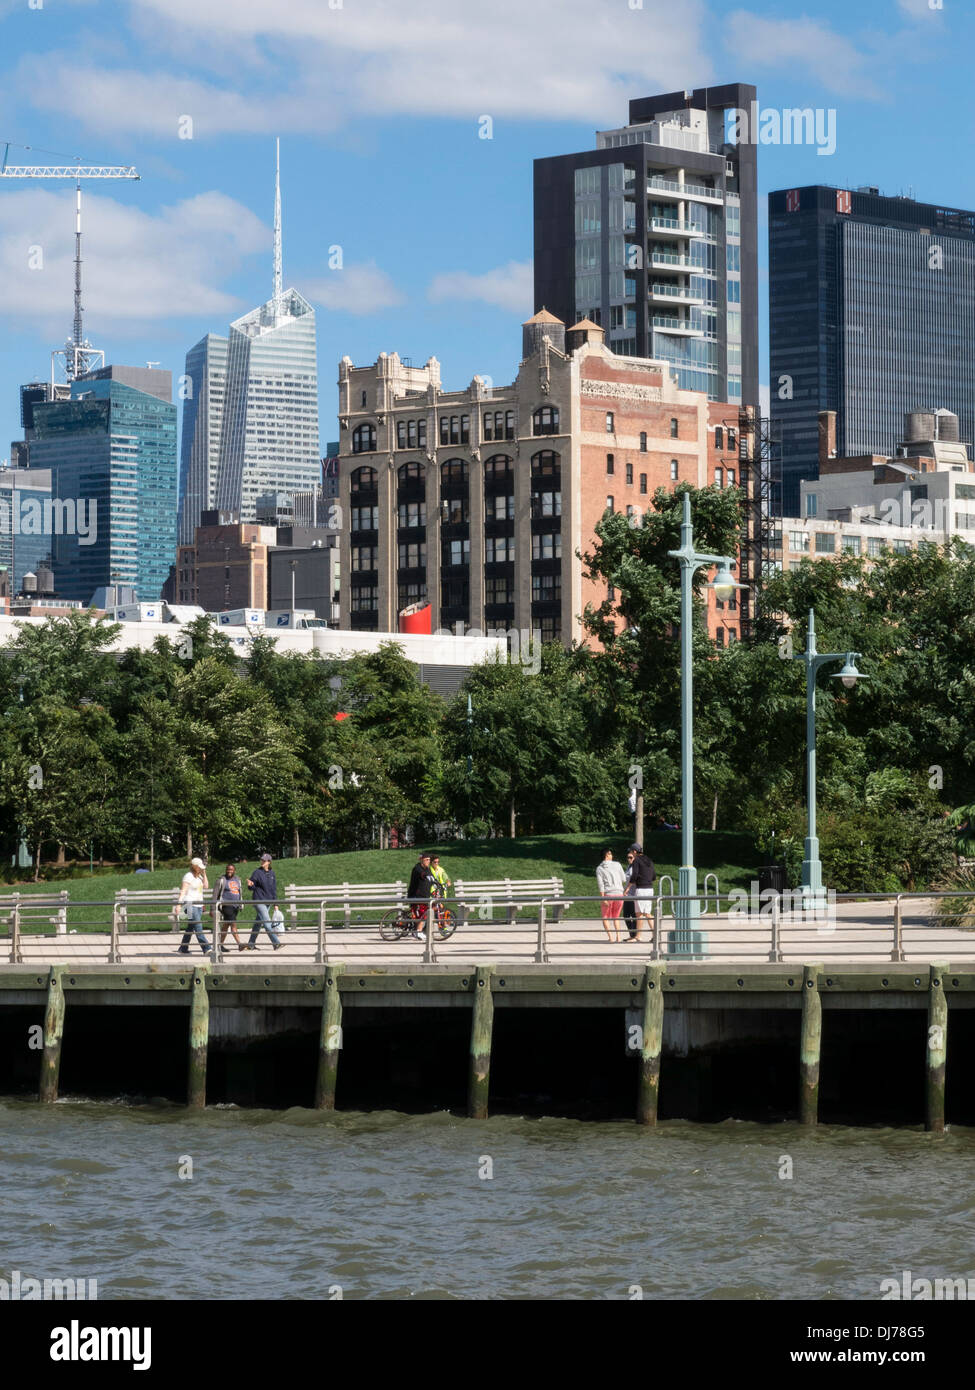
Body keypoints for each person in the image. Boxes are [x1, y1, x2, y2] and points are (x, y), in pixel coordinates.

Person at [243, 853, 283, 951]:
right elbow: (252, 887)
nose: (262, 862)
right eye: (262, 860)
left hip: (268, 901)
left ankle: (251, 944)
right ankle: (276, 943)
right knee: (266, 922)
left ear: (269, 862)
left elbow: (273, 889)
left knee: (258, 923)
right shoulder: (257, 872)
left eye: (264, 861)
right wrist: (250, 884)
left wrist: (276, 904)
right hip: (259, 900)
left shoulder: (272, 873)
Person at [177, 857, 211, 954]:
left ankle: (183, 948)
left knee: (191, 927)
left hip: (199, 906)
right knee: (198, 926)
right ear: (194, 866)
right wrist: (179, 905)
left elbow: (206, 886)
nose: (201, 869)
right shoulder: (188, 876)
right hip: (189, 904)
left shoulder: (199, 877)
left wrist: (204, 874)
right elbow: (183, 891)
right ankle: (207, 948)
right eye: (199, 867)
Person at [626, 842, 656, 944]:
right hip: (650, 889)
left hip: (641, 889)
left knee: (641, 914)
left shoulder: (636, 860)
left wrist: (627, 888)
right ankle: (655, 935)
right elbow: (654, 876)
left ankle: (639, 936)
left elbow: (634, 876)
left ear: (634, 851)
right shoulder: (649, 860)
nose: (631, 853)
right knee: (646, 913)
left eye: (631, 851)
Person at [212, 863, 245, 951]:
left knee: (226, 925)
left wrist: (241, 903)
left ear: (234, 870)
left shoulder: (237, 879)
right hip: (226, 906)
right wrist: (212, 908)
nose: (229, 871)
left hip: (235, 906)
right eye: (228, 869)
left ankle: (219, 945)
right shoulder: (221, 880)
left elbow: (239, 891)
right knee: (233, 924)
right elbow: (215, 895)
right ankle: (239, 944)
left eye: (231, 870)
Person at [596, 849, 626, 943]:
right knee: (616, 917)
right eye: (610, 853)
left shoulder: (599, 868)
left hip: (608, 894)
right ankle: (618, 936)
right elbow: (624, 879)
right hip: (619, 894)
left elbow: (601, 885)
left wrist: (602, 897)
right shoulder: (617, 864)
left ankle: (611, 937)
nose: (612, 855)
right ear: (607, 855)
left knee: (605, 917)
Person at [406, 851, 436, 943]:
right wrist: (425, 875)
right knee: (424, 912)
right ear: (421, 860)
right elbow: (422, 874)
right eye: (426, 860)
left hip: (424, 896)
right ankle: (418, 931)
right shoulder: (417, 868)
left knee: (431, 908)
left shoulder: (428, 869)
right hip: (416, 896)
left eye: (429, 860)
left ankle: (420, 930)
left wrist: (437, 884)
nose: (428, 861)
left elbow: (432, 878)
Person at [621, 849, 638, 942]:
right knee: (626, 915)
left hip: (634, 894)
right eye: (628, 857)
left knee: (633, 915)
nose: (629, 859)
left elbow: (635, 879)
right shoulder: (628, 867)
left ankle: (634, 935)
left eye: (631, 857)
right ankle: (632, 934)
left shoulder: (636, 867)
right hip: (627, 895)